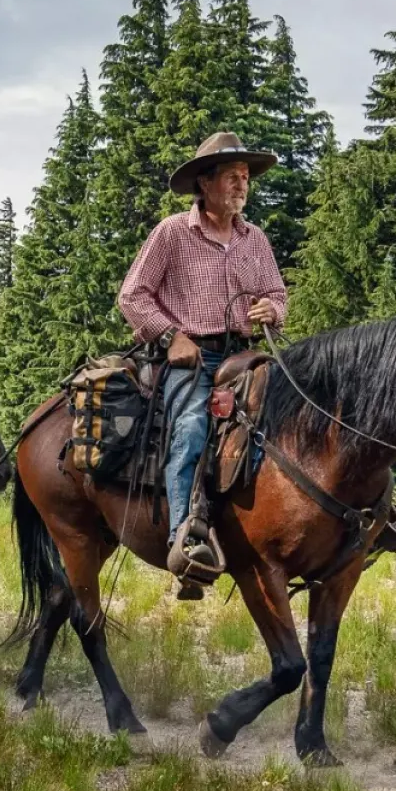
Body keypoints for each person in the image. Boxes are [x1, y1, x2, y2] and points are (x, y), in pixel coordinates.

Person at [118, 131, 288, 599]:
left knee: (299, 415)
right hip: (190, 357)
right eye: (233, 176)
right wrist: (173, 337)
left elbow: (277, 294)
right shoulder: (173, 232)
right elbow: (132, 295)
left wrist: (271, 311)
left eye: (246, 177)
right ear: (205, 183)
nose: (242, 184)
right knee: (192, 427)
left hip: (246, 354)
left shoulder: (256, 239)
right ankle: (185, 536)